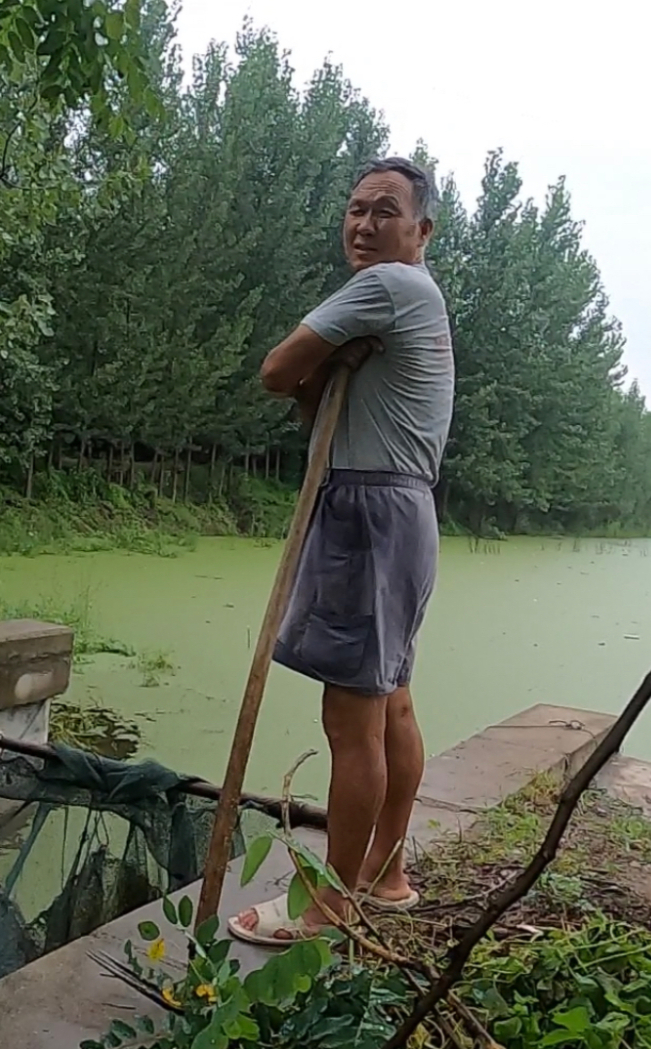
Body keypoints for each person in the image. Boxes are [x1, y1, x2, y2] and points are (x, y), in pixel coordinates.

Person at [228, 156, 454, 946]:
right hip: (406, 508)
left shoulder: (387, 287)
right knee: (391, 698)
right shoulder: (416, 295)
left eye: (384, 211)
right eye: (355, 210)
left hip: (366, 509)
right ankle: (386, 875)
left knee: (350, 716)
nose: (363, 225)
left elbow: (277, 370)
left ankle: (327, 906)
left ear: (421, 230)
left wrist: (312, 368)